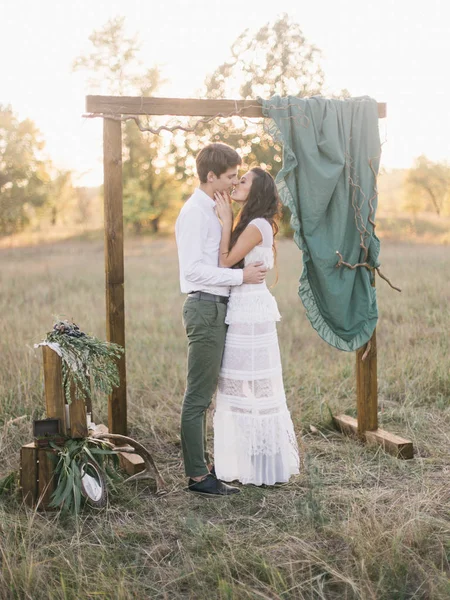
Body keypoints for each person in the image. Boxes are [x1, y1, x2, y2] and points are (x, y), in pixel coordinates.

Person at [175, 143, 267, 497]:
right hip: (205, 306)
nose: (233, 183)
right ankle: (198, 477)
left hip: (218, 307)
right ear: (210, 176)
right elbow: (194, 270)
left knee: (208, 392)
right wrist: (239, 278)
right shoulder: (195, 213)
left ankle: (205, 465)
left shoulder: (214, 208)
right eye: (230, 177)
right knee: (197, 396)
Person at [213, 167, 300, 486]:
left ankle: (265, 463)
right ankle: (252, 461)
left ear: (257, 190)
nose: (237, 183)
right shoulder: (252, 223)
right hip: (245, 306)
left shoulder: (256, 225)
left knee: (250, 385)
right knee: (241, 385)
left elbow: (225, 262)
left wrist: (225, 221)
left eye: (243, 180)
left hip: (249, 310)